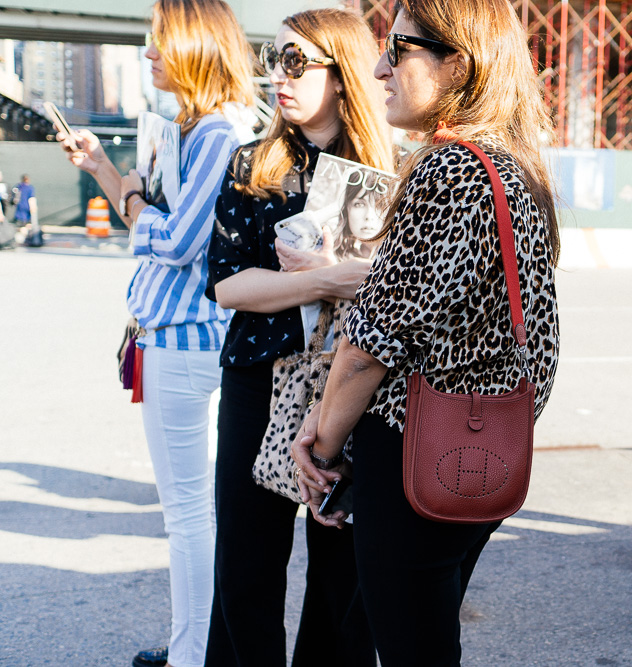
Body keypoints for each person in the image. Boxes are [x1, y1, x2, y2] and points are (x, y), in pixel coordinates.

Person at [291, 1, 560, 664]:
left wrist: (321, 442)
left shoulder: (451, 171)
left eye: (400, 48)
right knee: (395, 631)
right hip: (478, 454)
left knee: (415, 648)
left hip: (414, 459)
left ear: (457, 65)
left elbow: (369, 345)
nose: (380, 68)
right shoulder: (513, 168)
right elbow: (539, 344)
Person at [56, 1, 257, 666]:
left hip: (186, 340)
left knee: (188, 515)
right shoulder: (193, 128)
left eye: (159, 44)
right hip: (175, 338)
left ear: (196, 50)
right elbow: (150, 215)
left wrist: (136, 196)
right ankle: (198, 644)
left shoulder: (218, 135)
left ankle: (194, 651)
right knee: (194, 512)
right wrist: (105, 172)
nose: (148, 55)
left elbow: (171, 238)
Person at [204, 9, 393, 666]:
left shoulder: (385, 172)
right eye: (271, 60)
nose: (277, 78)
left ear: (343, 76)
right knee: (245, 572)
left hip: (348, 388)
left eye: (294, 62)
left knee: (340, 580)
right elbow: (227, 285)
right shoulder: (253, 164)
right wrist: (329, 279)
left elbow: (397, 290)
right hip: (258, 380)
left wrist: (348, 279)